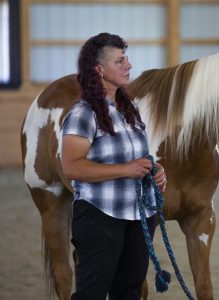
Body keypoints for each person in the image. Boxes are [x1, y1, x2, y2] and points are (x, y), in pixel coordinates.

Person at [61, 32, 167, 300]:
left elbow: (137, 158)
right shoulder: (82, 113)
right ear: (99, 69)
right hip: (99, 215)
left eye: (127, 59)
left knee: (128, 292)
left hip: (138, 214)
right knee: (91, 294)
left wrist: (154, 172)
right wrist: (126, 169)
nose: (129, 65)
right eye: (120, 61)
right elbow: (72, 167)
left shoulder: (129, 109)